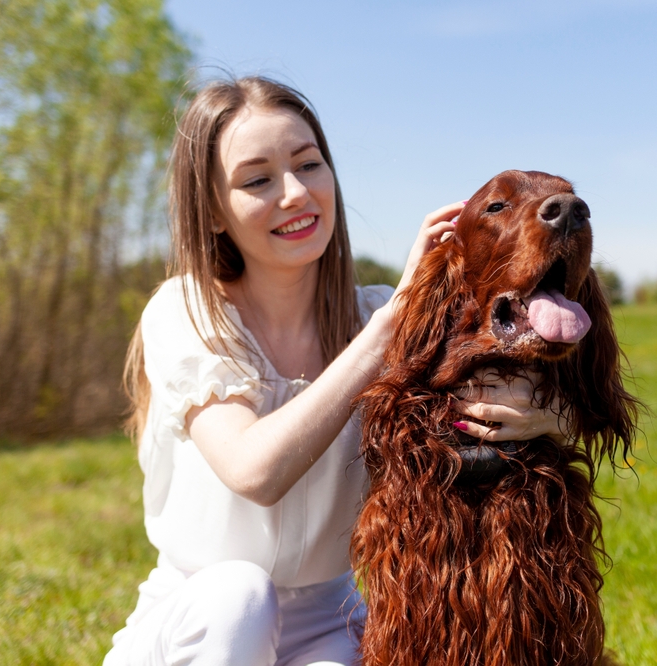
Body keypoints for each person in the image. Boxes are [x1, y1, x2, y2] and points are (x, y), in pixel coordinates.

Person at [104, 77, 568, 666]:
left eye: (308, 164)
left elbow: (504, 383)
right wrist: (390, 325)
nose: (295, 193)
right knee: (238, 599)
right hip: (196, 621)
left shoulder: (375, 312)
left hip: (328, 622)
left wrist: (549, 417)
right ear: (214, 212)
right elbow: (254, 470)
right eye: (257, 180)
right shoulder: (185, 310)